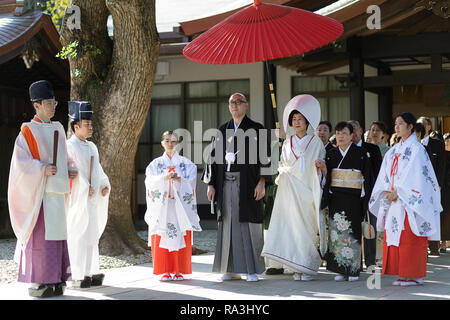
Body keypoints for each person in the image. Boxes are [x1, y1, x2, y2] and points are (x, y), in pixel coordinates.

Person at [8, 80, 75, 298]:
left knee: (58, 237)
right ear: (35, 105)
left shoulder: (57, 127)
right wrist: (41, 169)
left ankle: (57, 279)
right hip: (40, 194)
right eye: (48, 103)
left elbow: (66, 157)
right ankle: (39, 282)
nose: (53, 106)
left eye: (54, 102)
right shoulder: (28, 130)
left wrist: (70, 168)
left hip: (57, 192)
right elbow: (21, 164)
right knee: (42, 239)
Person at [369, 112, 442, 286]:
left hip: (410, 201)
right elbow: (385, 174)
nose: (397, 127)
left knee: (411, 237)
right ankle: (403, 273)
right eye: (395, 124)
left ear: (410, 126)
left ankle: (414, 274)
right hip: (394, 201)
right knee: (398, 236)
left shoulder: (418, 150)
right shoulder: (393, 150)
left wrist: (399, 192)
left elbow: (419, 177)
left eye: (401, 123)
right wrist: (386, 190)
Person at [206, 93, 271, 282]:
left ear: (246, 105)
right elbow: (212, 158)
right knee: (228, 225)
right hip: (224, 183)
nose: (235, 105)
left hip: (248, 183)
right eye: (232, 103)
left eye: (239, 102)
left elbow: (266, 157)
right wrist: (211, 184)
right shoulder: (222, 129)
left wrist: (262, 182)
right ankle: (230, 269)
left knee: (248, 225)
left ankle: (251, 270)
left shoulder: (256, 129)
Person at [262, 95, 326, 281]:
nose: (297, 123)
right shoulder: (287, 142)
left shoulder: (315, 142)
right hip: (290, 191)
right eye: (294, 119)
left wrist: (318, 168)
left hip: (306, 190)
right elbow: (282, 163)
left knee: (306, 228)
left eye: (300, 119)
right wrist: (283, 172)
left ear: (307, 122)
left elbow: (319, 166)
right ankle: (294, 266)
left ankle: (306, 266)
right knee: (291, 228)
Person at [144, 131, 201, 281]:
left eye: (173, 141)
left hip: (179, 206)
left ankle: (179, 270)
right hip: (163, 207)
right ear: (162, 143)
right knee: (162, 234)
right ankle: (164, 270)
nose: (170, 144)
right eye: (167, 141)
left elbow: (191, 181)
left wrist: (179, 179)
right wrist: (164, 178)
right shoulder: (155, 164)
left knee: (181, 234)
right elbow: (149, 181)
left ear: (177, 143)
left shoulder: (186, 163)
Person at [66, 101, 110, 288]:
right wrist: (83, 186)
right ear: (76, 126)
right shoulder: (69, 146)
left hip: (91, 198)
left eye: (91, 124)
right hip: (78, 198)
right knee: (79, 234)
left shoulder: (92, 147)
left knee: (92, 235)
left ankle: (91, 270)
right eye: (87, 124)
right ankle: (77, 274)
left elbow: (98, 170)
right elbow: (71, 170)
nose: (91, 127)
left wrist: (103, 184)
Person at [322, 122, 373, 281]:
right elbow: (328, 176)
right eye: (338, 133)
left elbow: (367, 178)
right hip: (336, 198)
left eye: (344, 133)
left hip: (354, 198)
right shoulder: (330, 154)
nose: (340, 136)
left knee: (353, 232)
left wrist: (365, 199)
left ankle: (352, 269)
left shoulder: (361, 153)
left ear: (352, 135)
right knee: (337, 233)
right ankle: (340, 269)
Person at [347, 120, 381, 269]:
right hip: (350, 195)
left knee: (369, 228)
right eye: (349, 130)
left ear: (361, 131)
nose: (352, 133)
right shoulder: (343, 148)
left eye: (354, 129)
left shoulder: (372, 149)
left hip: (369, 193)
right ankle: (355, 262)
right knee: (352, 229)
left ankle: (370, 261)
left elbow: (379, 172)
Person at [416, 116, 445, 256]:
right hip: (418, 187)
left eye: (422, 125)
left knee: (433, 214)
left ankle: (434, 245)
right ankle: (422, 246)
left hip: (433, 186)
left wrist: (439, 183)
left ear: (428, 127)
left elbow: (441, 165)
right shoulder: (414, 145)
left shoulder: (437, 144)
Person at [440, 133, 450, 253]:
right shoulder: (442, 154)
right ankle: (442, 242)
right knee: (444, 215)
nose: (447, 144)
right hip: (444, 189)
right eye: (446, 141)